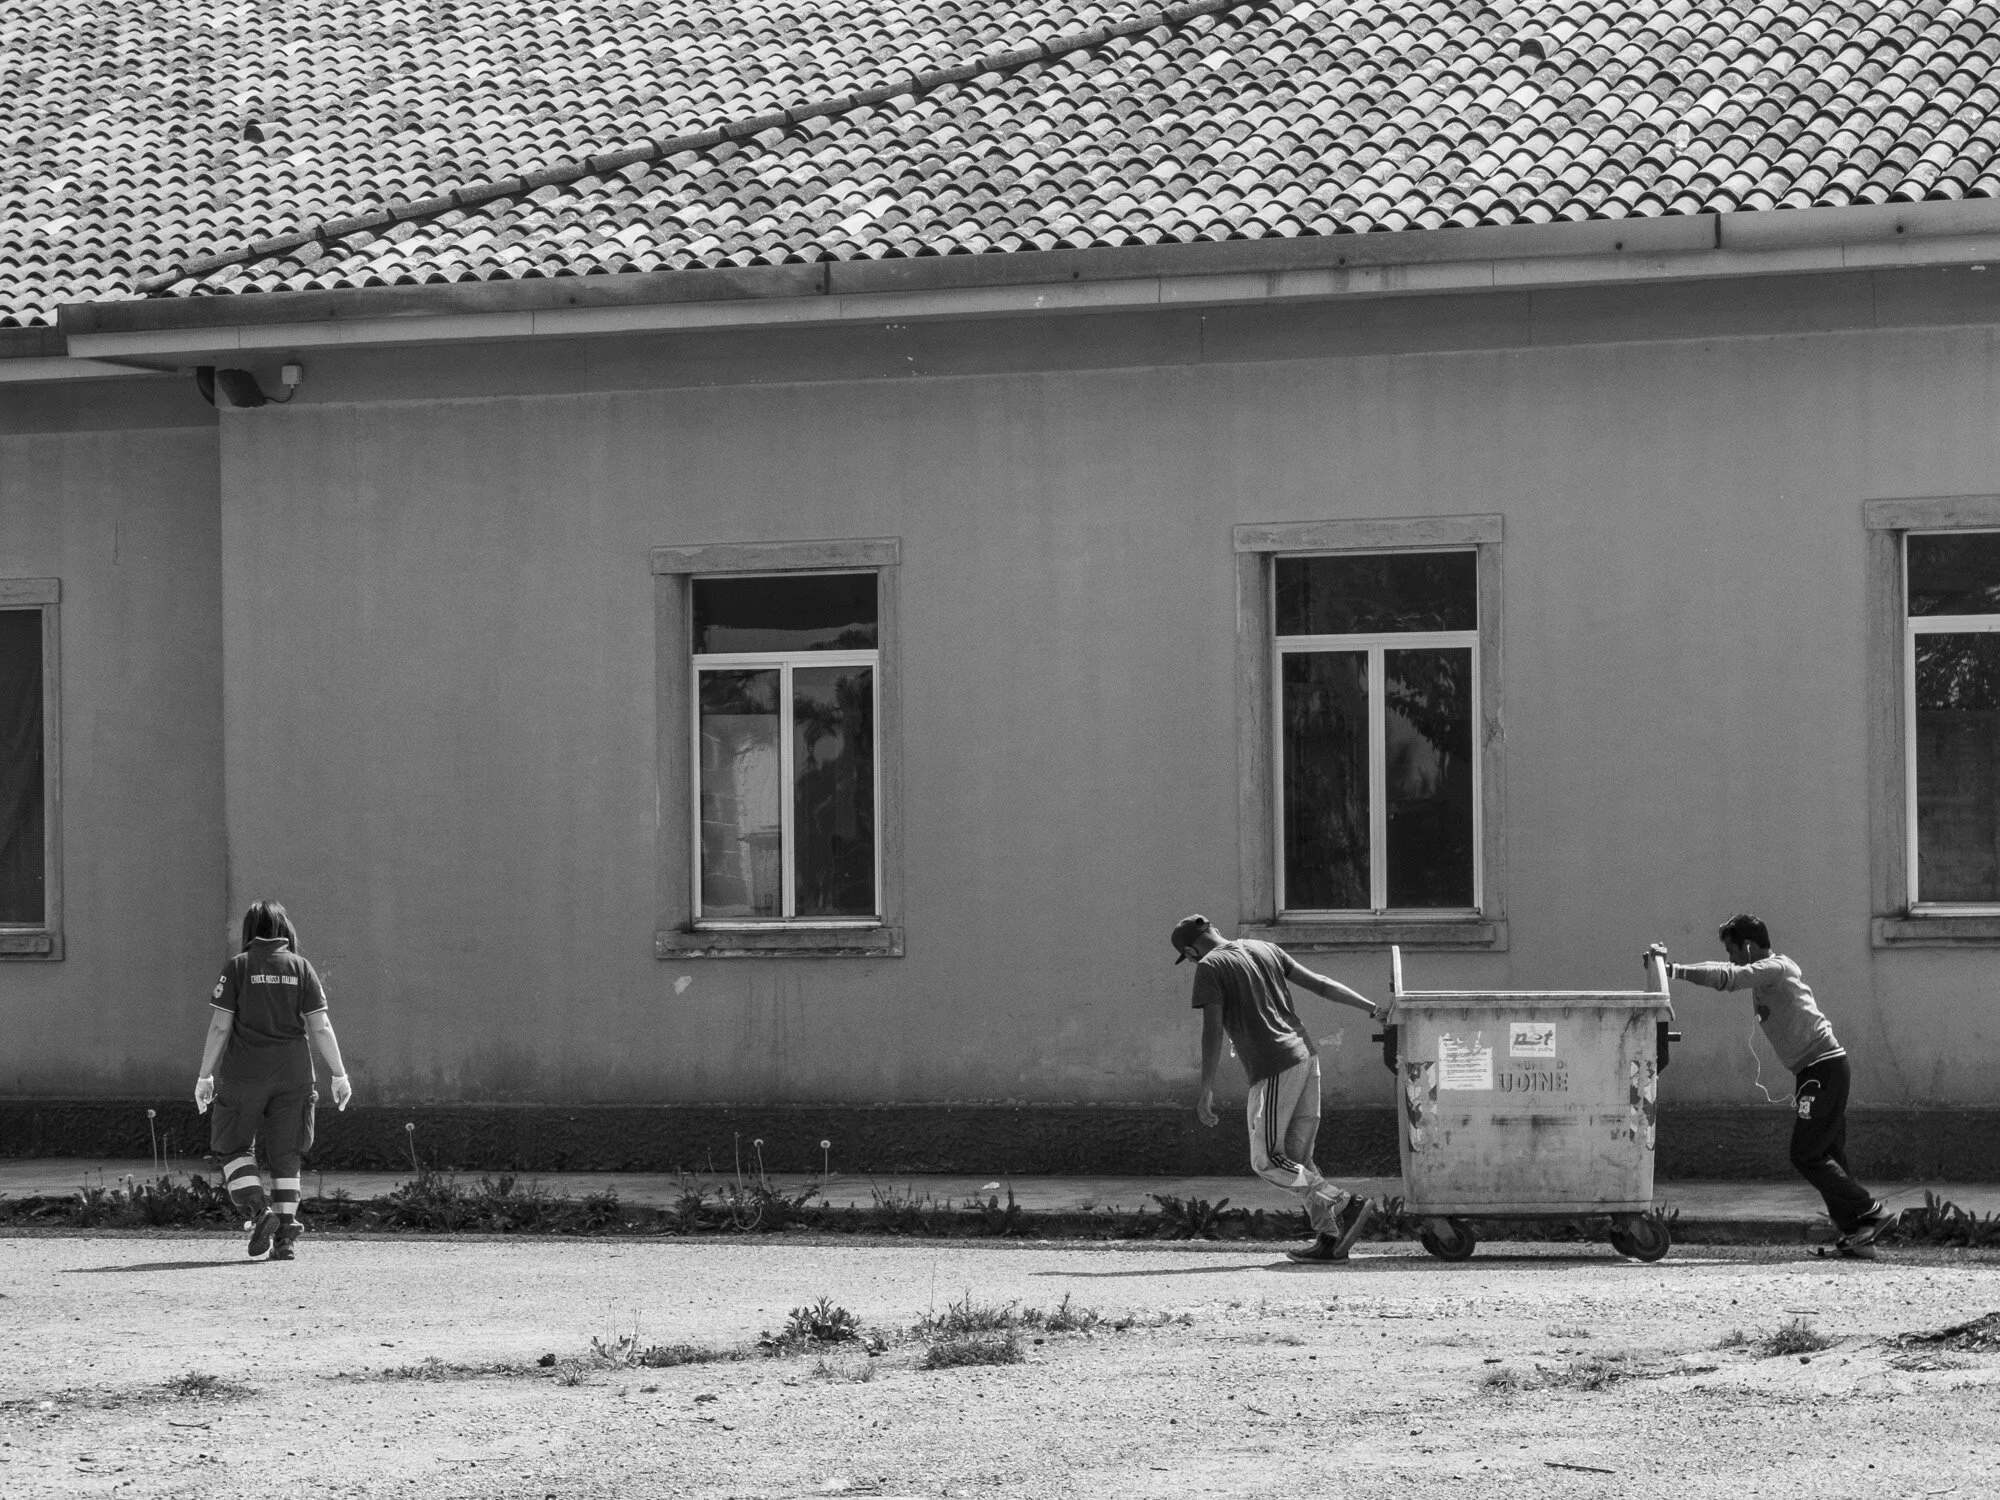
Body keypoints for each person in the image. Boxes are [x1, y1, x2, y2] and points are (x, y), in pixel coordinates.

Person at [1651, 915, 1897, 1256]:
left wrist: (1675, 971)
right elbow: (1730, 971)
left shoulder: (1775, 967)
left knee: (1805, 1153)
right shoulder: (1766, 973)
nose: (1731, 959)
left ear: (1749, 947)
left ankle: (1871, 1210)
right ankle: (1859, 1232)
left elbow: (1729, 977)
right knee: (1828, 1154)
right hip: (1818, 1070)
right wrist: (1675, 967)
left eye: (1733, 951)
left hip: (1823, 1068)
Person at [1174, 914, 1383, 1263]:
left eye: (1189, 956)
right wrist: (1372, 1008)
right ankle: (1330, 1237)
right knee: (1297, 1161)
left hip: (1273, 1065)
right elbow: (1321, 983)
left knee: (1268, 1160)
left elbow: (1212, 1030)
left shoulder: (1210, 967)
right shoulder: (1264, 947)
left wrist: (1206, 1085)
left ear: (1192, 950)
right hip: (1306, 1056)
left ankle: (1344, 1203)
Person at [193, 900, 353, 1261]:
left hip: (244, 1075)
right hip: (294, 1074)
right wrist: (339, 1074)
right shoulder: (301, 968)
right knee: (286, 1156)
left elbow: (220, 1025)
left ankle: (257, 1210)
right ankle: (285, 1239)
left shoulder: (238, 967)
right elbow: (321, 1026)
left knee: (233, 1147)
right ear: (284, 930)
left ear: (250, 931)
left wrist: (204, 1076)